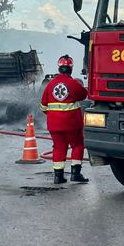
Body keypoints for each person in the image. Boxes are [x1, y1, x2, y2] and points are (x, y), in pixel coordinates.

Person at [40, 55, 89, 184]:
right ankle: (75, 174)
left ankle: (58, 177)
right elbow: (84, 95)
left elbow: (43, 106)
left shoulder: (50, 85)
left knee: (58, 148)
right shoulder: (73, 83)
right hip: (72, 123)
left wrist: (53, 115)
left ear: (59, 68)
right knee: (78, 145)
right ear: (70, 69)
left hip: (54, 124)